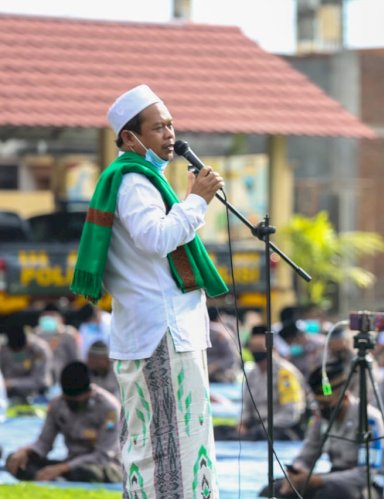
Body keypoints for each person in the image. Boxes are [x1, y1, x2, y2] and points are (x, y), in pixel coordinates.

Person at [70, 84, 227, 497]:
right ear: (129, 138)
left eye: (171, 124)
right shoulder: (134, 182)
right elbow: (156, 239)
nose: (170, 134)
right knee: (169, 444)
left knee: (154, 442)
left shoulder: (139, 179)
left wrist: (192, 203)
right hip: (162, 333)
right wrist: (197, 202)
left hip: (156, 331)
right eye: (158, 127)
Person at [261, 362, 384, 499]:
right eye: (318, 404)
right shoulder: (321, 416)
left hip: (369, 485)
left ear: (345, 397)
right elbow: (307, 454)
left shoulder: (369, 419)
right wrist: (296, 473)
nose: (321, 408)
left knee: (329, 494)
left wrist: (317, 481)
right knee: (273, 489)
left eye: (325, 404)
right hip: (335, 477)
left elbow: (365, 475)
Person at [5, 361, 122, 483]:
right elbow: (44, 443)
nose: (71, 405)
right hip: (69, 463)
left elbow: (103, 455)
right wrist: (26, 451)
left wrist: (62, 468)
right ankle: (54, 478)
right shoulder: (58, 405)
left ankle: (57, 478)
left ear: (88, 392)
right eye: (68, 400)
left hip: (104, 466)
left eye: (76, 402)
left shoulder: (109, 409)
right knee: (16, 461)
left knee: (86, 473)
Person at [240, 325, 307, 441]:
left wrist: (264, 427)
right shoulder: (252, 374)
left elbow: (291, 413)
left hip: (279, 427)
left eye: (260, 350)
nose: (256, 354)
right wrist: (243, 423)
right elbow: (247, 405)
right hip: (257, 424)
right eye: (253, 350)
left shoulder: (285, 374)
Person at [0, 324, 53, 400]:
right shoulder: (4, 351)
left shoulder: (39, 350)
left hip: (38, 394)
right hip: (10, 395)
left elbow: (39, 381)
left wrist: (11, 383)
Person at [34, 303, 81, 383]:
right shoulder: (36, 334)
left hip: (63, 377)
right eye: (45, 316)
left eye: (52, 315)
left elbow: (75, 358)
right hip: (42, 378)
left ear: (61, 319)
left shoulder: (69, 334)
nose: (48, 318)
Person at [207, 307, 241, 383]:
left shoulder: (221, 333)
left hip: (221, 377)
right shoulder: (201, 330)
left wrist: (215, 366)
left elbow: (232, 358)